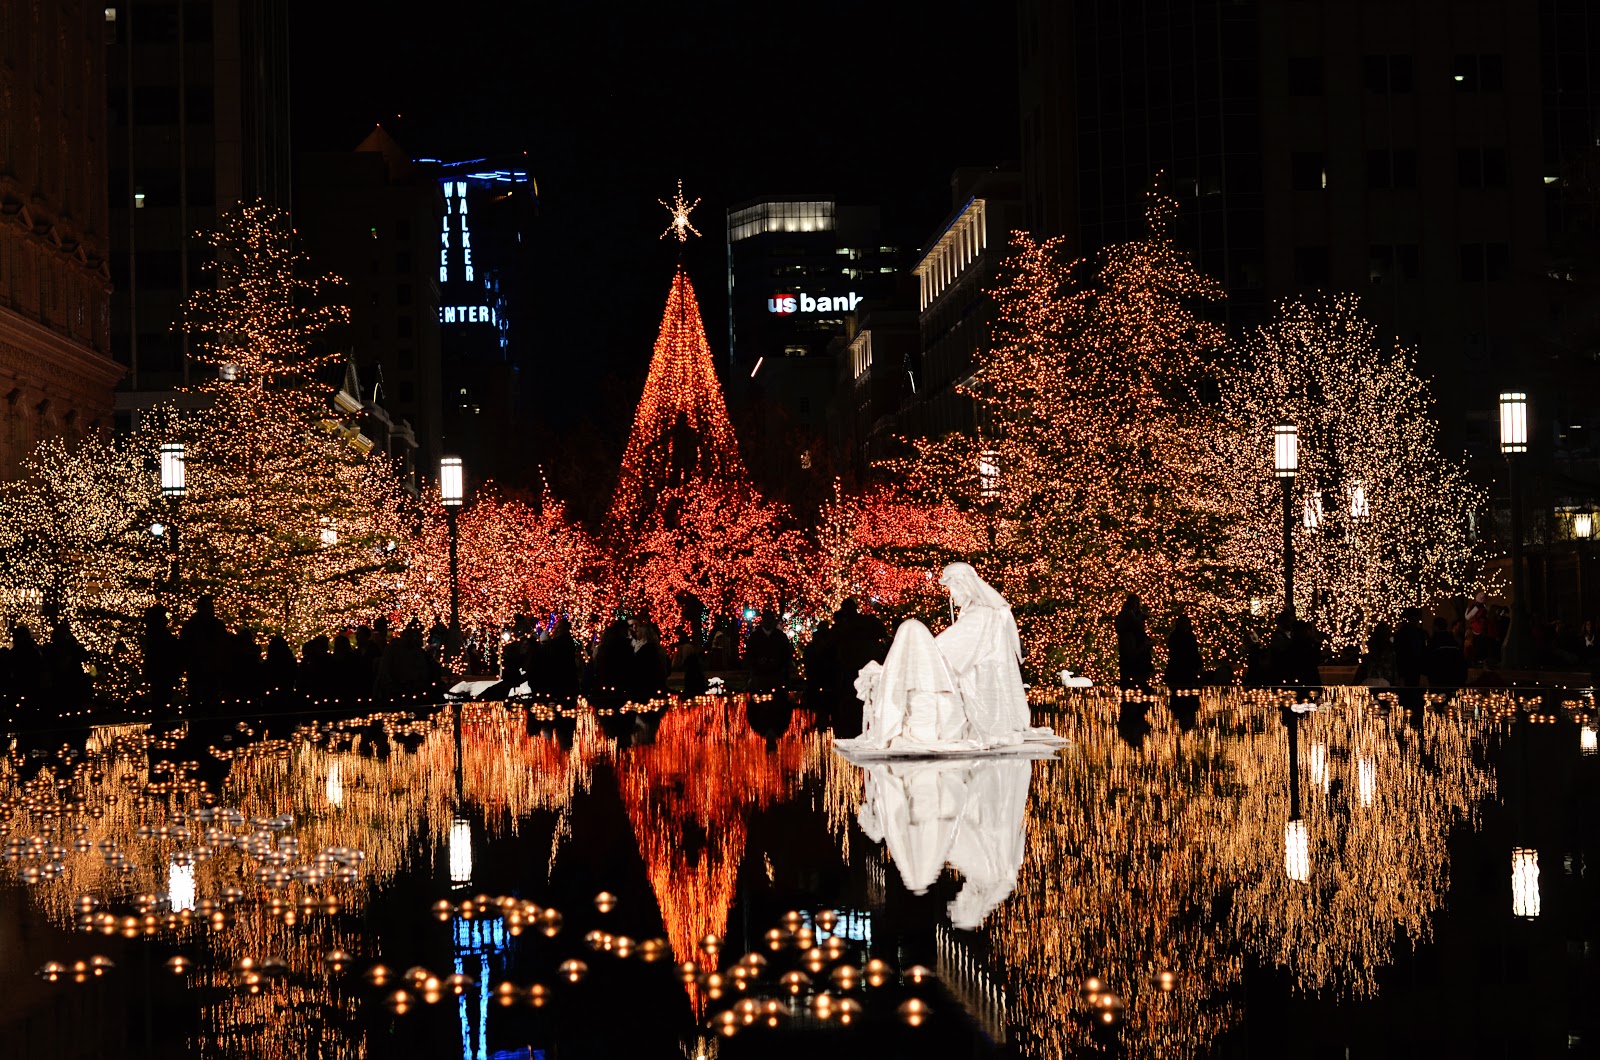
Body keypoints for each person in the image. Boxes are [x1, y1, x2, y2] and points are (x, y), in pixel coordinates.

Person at [839, 563, 1057, 752]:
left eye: (952, 588)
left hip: (980, 694)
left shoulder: (981, 615)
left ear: (963, 585)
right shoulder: (982, 613)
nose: (951, 595)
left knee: (912, 630)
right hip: (974, 684)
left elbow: (945, 651)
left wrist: (909, 660)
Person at [141, 605, 182, 714]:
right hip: (163, 672)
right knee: (161, 700)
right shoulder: (159, 635)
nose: (166, 619)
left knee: (159, 700)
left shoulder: (153, 634)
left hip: (160, 672)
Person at [745, 609, 792, 692]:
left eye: (770, 619)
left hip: (777, 674)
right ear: (763, 620)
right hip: (759, 674)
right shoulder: (754, 637)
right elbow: (749, 654)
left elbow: (786, 654)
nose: (768, 622)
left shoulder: (780, 636)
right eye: (766, 619)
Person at [1114, 594, 1153, 691]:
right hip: (1135, 661)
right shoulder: (1128, 632)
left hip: (1139, 661)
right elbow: (1131, 654)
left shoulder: (1137, 632)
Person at [1163, 614, 1203, 691]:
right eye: (1183, 623)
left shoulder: (1190, 636)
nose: (1185, 626)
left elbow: (1194, 652)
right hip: (1179, 670)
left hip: (1188, 670)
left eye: (1186, 623)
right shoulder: (1176, 637)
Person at [1394, 608, 1429, 688]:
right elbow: (1423, 652)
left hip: (1406, 667)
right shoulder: (1420, 633)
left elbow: (1398, 652)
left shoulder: (1401, 633)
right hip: (1415, 667)